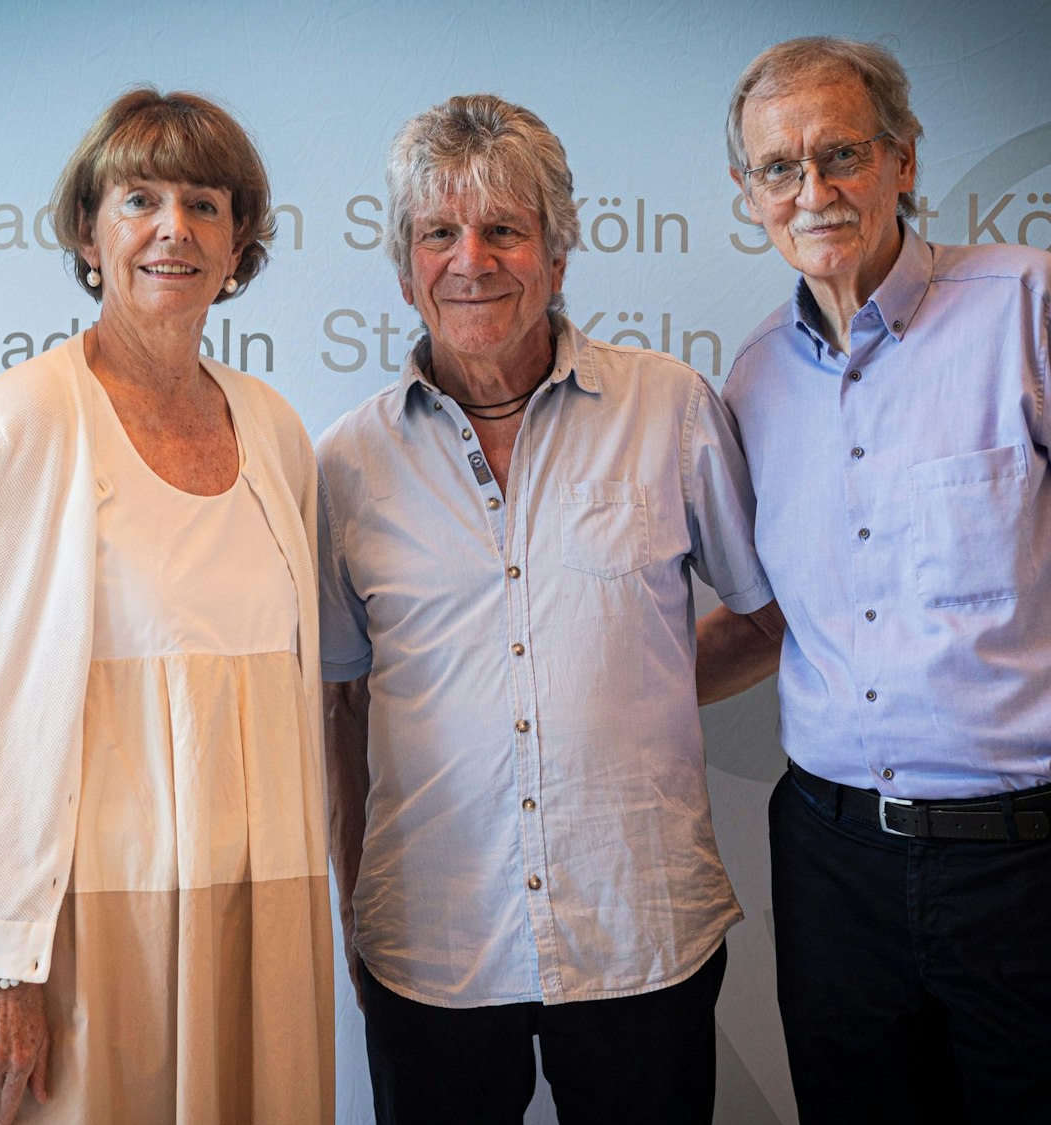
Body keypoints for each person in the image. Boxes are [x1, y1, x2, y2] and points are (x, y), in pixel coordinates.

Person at [701, 35, 1051, 1123]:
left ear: (902, 161)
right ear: (746, 196)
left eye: (841, 153)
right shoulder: (750, 383)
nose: (814, 191)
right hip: (832, 871)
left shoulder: (1030, 304)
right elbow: (766, 625)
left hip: (1034, 869)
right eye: (777, 169)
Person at [316, 94, 773, 1125]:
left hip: (637, 928)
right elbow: (341, 706)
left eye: (503, 230)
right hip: (430, 943)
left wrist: (632, 683)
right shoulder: (346, 461)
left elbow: (760, 616)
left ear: (557, 257)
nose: (469, 258)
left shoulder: (668, 409)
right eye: (438, 232)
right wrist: (355, 910)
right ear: (403, 269)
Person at [0, 88, 333, 1124]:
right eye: (139, 199)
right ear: (90, 235)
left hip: (257, 906)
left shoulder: (272, 427)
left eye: (204, 204)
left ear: (238, 245)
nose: (173, 228)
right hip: (83, 921)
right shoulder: (31, 416)